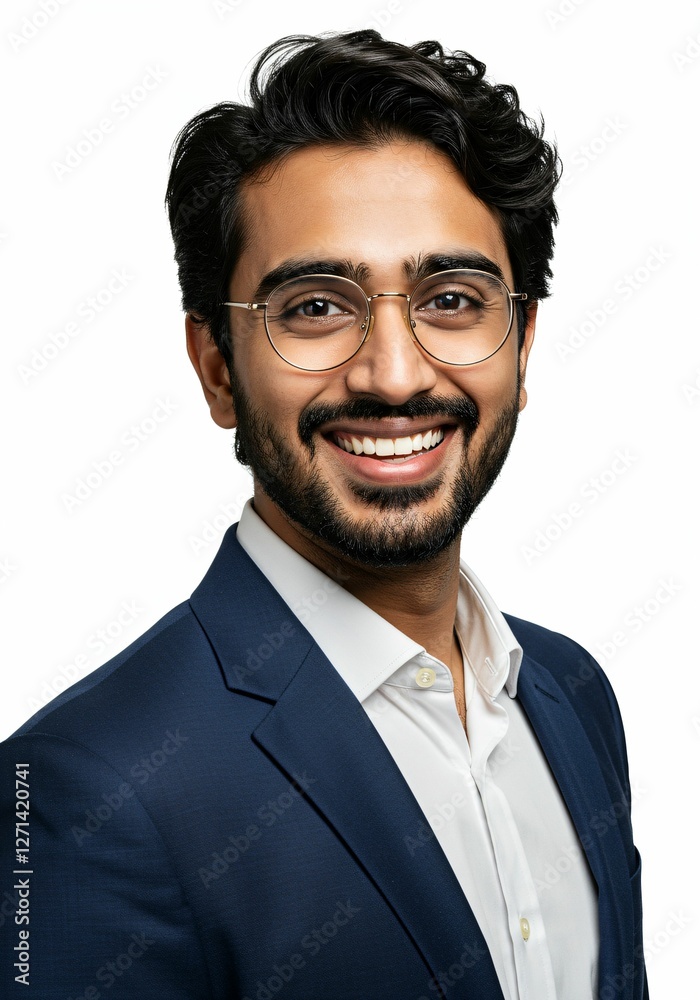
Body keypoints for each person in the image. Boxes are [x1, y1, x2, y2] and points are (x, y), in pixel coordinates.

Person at [0, 30, 647, 1000]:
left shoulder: (572, 694)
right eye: (314, 307)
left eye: (452, 298)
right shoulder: (85, 791)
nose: (394, 374)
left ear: (521, 346)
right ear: (217, 367)